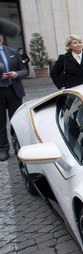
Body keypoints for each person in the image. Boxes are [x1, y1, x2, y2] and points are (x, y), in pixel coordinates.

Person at [0, 32, 29, 161]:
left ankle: (19, 147)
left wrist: (16, 74)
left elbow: (24, 70)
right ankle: (3, 149)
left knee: (16, 121)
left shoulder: (12, 51)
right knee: (0, 123)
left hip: (14, 91)